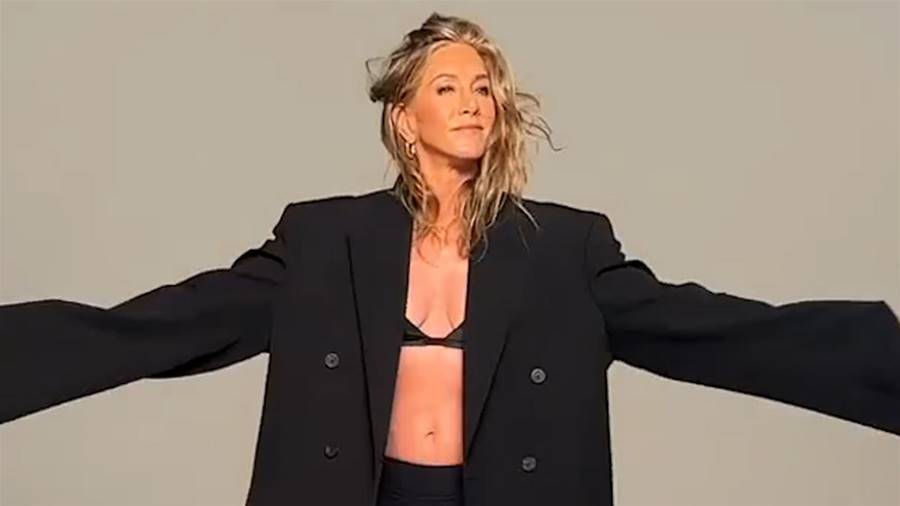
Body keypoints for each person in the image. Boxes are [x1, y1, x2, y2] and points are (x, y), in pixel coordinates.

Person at [2, 11, 899, 506]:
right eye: (447, 87)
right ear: (405, 118)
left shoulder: (565, 247)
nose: (472, 103)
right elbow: (164, 325)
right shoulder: (324, 240)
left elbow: (714, 330)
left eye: (483, 89)